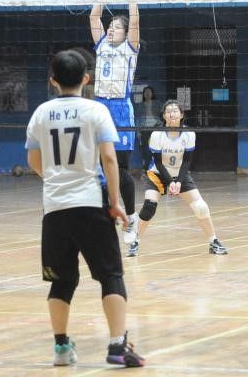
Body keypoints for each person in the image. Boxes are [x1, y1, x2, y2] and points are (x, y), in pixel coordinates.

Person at [26, 49, 145, 368]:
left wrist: (56, 179)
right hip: (90, 204)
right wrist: (115, 202)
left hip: (55, 208)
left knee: (61, 281)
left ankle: (61, 348)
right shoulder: (96, 111)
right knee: (111, 276)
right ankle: (117, 345)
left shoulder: (40, 114)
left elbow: (34, 160)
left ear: (53, 80)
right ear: (87, 78)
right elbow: (109, 159)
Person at [128, 100, 228, 257]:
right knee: (149, 207)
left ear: (181, 115)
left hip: (180, 174)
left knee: (201, 207)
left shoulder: (189, 134)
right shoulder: (157, 135)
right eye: (168, 111)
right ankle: (135, 241)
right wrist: (171, 182)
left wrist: (178, 181)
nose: (172, 113)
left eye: (175, 111)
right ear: (164, 116)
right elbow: (158, 163)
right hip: (157, 174)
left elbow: (187, 161)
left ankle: (213, 241)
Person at [89, 0, 142, 243]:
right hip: (99, 107)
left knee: (120, 169)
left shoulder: (130, 48)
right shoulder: (101, 45)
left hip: (120, 109)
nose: (111, 29)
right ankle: (106, 214)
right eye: (110, 26)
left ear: (125, 32)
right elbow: (93, 16)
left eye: (116, 27)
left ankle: (131, 217)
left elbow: (135, 20)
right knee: (98, 167)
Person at [134, 86, 160, 173]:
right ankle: (146, 168)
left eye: (149, 91)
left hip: (155, 129)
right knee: (145, 150)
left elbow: (163, 116)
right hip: (144, 129)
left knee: (155, 149)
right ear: (143, 94)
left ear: (152, 93)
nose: (147, 93)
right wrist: (138, 131)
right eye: (145, 92)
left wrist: (160, 126)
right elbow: (137, 119)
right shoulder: (140, 105)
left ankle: (155, 168)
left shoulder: (158, 103)